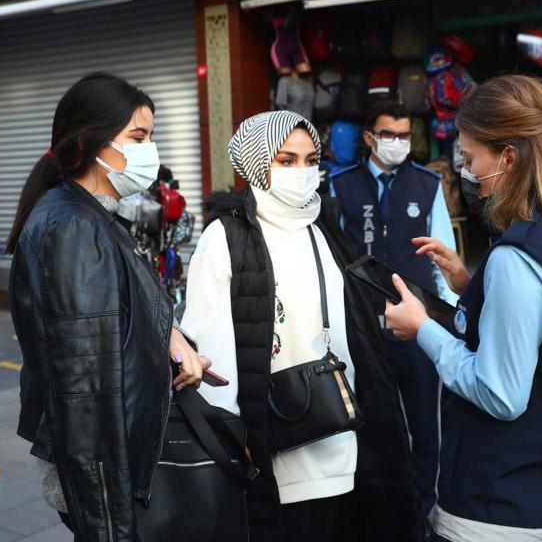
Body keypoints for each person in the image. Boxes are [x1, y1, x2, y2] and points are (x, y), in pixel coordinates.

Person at [385, 75, 542, 541]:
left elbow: (501, 395)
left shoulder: (518, 258)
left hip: (498, 509)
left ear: (508, 156)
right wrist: (472, 285)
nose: (467, 174)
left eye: (470, 160)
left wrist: (423, 328)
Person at [180, 110, 423, 542]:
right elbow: (210, 346)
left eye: (311, 160)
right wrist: (234, 439)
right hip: (277, 440)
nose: (303, 173)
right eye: (286, 161)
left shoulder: (321, 226)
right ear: (256, 164)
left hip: (344, 433)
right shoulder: (227, 237)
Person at [6, 72, 210, 539]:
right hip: (103, 469)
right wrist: (107, 517)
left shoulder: (90, 215)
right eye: (137, 137)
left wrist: (170, 341)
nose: (148, 152)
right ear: (90, 140)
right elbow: (85, 389)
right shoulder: (75, 228)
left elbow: (114, 326)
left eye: (151, 137)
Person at [330, 100, 457, 516]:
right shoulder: (341, 184)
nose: (398, 143)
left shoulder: (426, 184)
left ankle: (422, 508)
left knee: (424, 423)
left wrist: (450, 317)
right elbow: (333, 256)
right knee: (365, 420)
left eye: (404, 135)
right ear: (369, 138)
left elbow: (444, 256)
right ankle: (372, 506)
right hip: (361, 325)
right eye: (389, 135)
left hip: (415, 323)